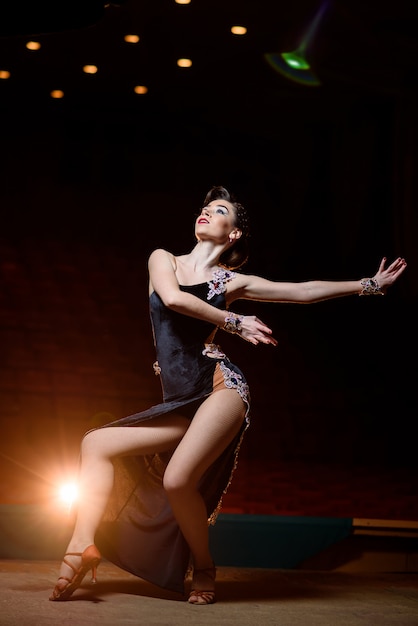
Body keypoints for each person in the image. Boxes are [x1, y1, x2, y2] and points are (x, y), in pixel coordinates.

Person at [49, 185, 407, 605]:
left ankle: (203, 564)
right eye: (203, 207)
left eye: (218, 210)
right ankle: (81, 546)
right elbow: (172, 298)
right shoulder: (163, 259)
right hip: (180, 399)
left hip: (220, 386)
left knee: (178, 479)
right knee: (95, 443)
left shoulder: (232, 281)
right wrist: (233, 321)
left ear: (233, 233)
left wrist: (369, 285)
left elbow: (302, 290)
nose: (205, 212)